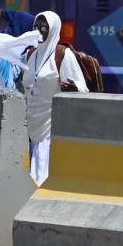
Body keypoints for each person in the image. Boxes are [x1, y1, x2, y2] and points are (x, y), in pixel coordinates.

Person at [21, 12, 86, 184]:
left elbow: (82, 89)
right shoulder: (31, 54)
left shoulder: (63, 55)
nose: (39, 31)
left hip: (50, 127)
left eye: (44, 27)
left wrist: (74, 89)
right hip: (28, 124)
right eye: (36, 27)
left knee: (42, 179)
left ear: (54, 29)